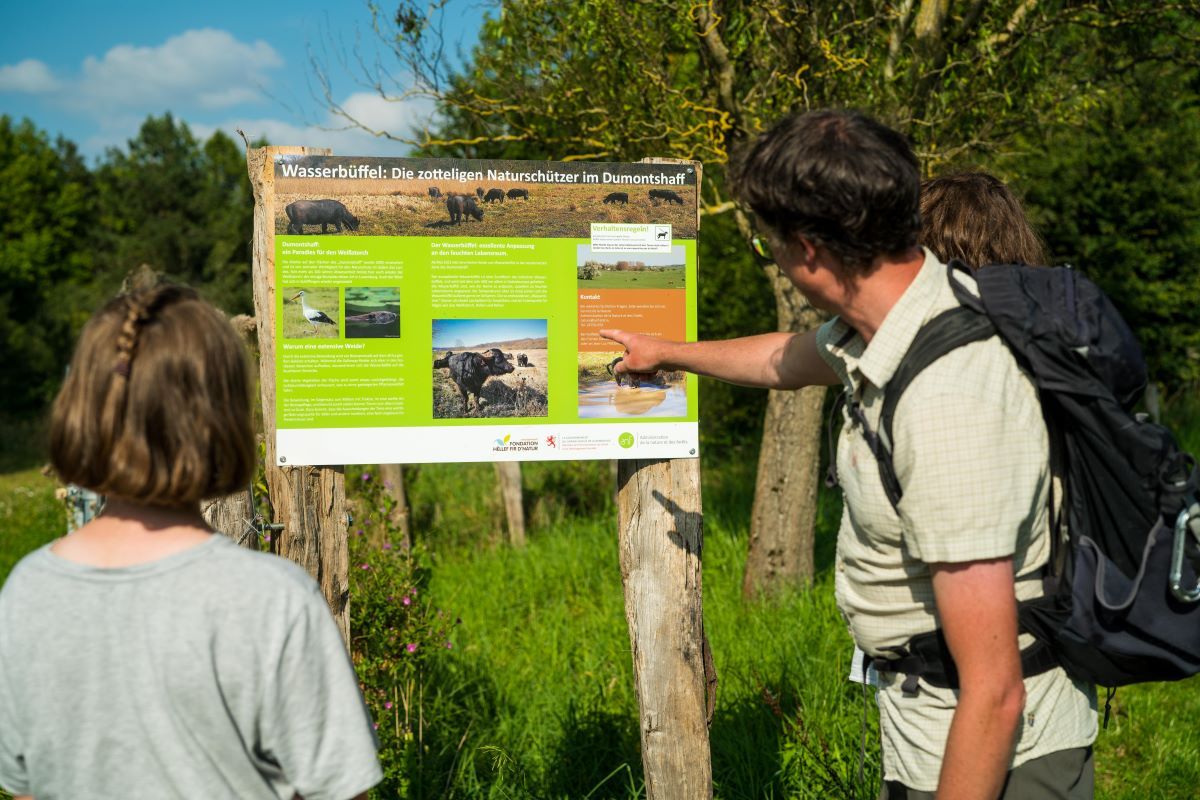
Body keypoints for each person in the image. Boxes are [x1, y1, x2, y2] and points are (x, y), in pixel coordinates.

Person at [601, 111, 1096, 799]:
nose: (769, 252)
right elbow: (789, 358)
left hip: (993, 752)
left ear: (807, 249)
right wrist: (667, 353)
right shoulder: (895, 320)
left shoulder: (948, 400)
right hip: (928, 725)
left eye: (765, 240)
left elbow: (996, 691)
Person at [0, 286, 382, 799]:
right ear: (221, 419)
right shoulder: (275, 600)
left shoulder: (27, 592)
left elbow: (26, 789)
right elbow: (340, 791)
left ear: (83, 413)